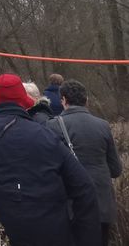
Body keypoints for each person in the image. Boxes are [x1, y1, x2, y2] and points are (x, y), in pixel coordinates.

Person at [0, 74, 100, 246]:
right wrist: (83, 237)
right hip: (51, 234)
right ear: (23, 100)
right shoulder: (48, 137)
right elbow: (84, 188)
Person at [48, 79, 123, 245]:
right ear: (86, 100)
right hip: (102, 205)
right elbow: (116, 169)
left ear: (63, 100)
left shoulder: (52, 126)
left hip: (71, 206)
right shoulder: (103, 125)